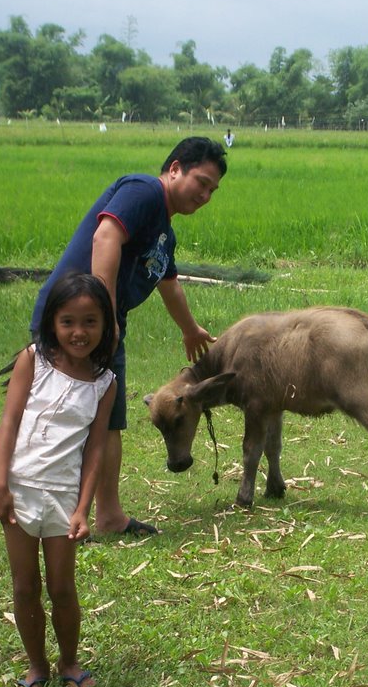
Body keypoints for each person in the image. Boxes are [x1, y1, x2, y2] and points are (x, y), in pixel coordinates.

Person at [31, 136, 227, 537]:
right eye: (201, 182)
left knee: (108, 421)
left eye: (213, 190)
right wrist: (102, 309)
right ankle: (47, 515)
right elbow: (106, 236)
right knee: (63, 414)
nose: (206, 195)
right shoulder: (143, 191)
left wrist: (190, 329)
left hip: (105, 325)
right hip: (74, 322)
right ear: (175, 169)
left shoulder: (164, 234)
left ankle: (109, 516)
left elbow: (169, 283)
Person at [0, 272, 118, 687]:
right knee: (25, 585)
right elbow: (9, 421)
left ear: (105, 326)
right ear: (52, 323)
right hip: (19, 488)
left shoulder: (104, 383)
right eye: (67, 322)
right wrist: (0, 483)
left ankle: (69, 661)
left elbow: (95, 449)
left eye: (90, 322)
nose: (78, 332)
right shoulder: (33, 360)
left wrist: (83, 508)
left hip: (63, 495)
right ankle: (37, 665)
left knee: (62, 587)